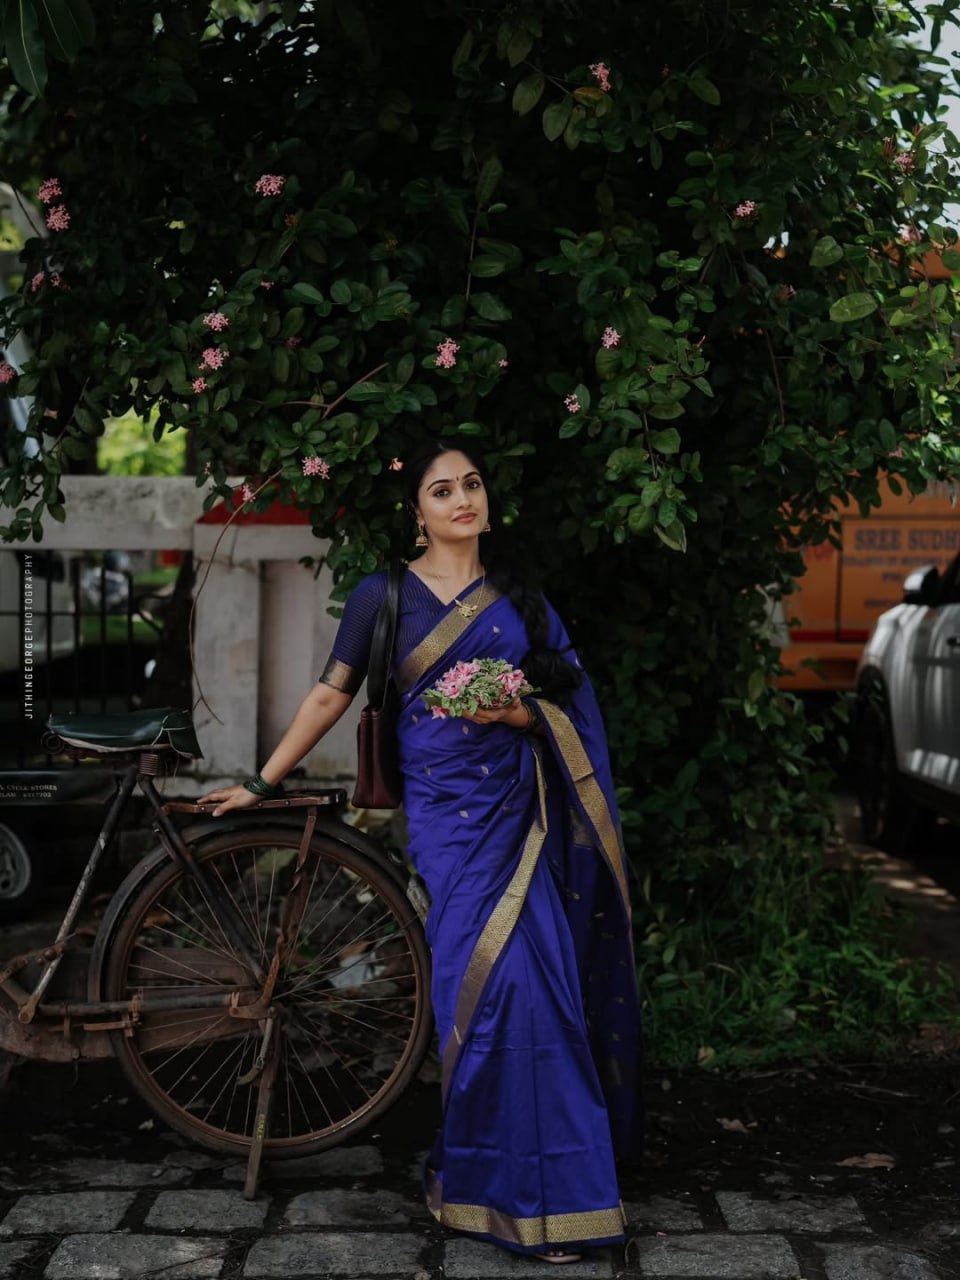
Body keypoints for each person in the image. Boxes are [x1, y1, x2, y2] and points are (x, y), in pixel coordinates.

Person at [200, 436, 641, 1264]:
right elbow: (331, 694)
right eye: (443, 490)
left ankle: (560, 1201)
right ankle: (484, 1188)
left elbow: (569, 698)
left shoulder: (519, 594)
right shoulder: (383, 595)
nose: (462, 500)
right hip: (446, 818)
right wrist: (260, 782)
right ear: (417, 510)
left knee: (538, 991)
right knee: (484, 992)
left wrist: (520, 715)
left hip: (524, 814)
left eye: (472, 484)